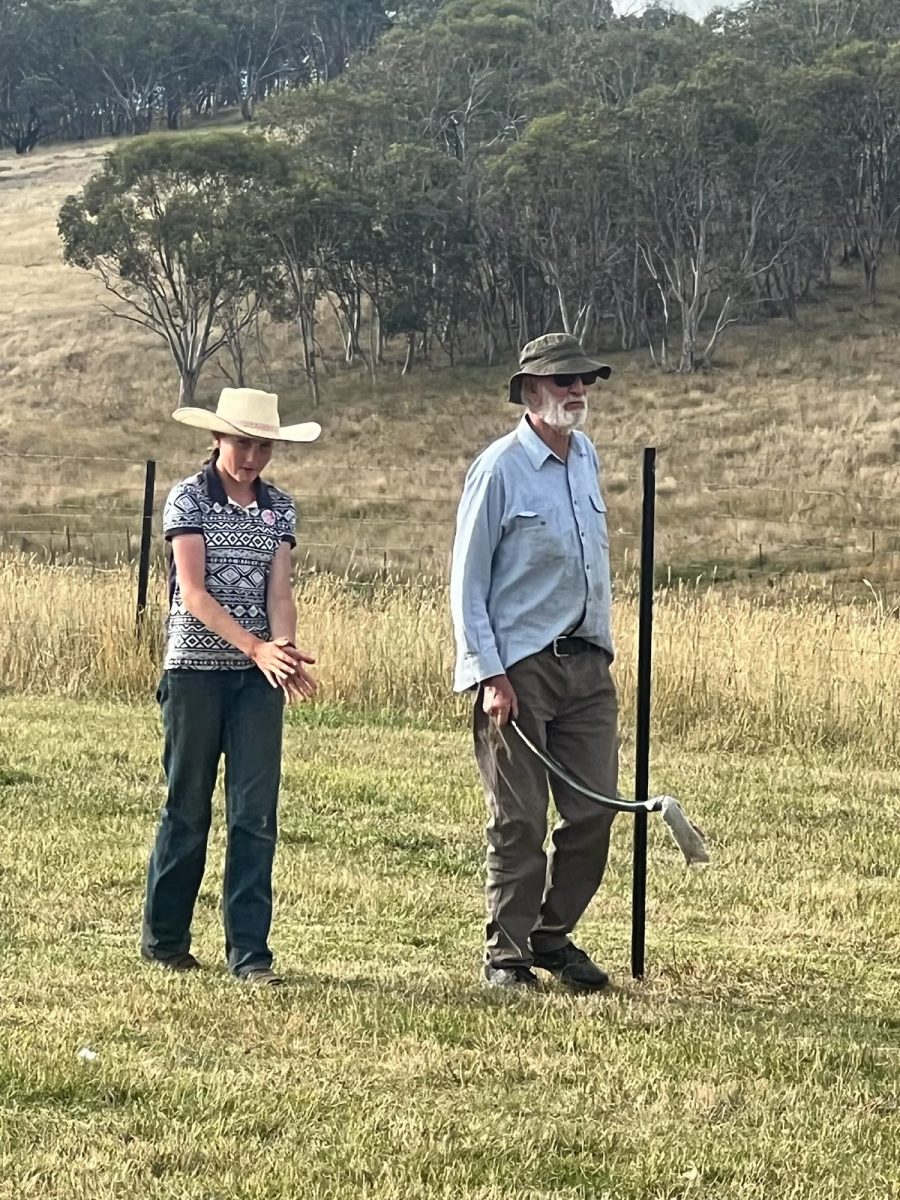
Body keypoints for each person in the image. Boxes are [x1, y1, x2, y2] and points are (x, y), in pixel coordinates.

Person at [450, 333, 618, 993]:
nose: (577, 391)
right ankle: (507, 956)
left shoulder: (587, 459)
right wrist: (489, 673)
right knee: (520, 818)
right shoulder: (497, 468)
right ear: (529, 391)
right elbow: (466, 582)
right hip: (519, 670)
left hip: (587, 668)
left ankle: (551, 938)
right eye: (563, 381)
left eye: (584, 381)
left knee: (595, 811)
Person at [141, 387, 320, 986]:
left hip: (256, 682)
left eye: (263, 445)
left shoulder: (280, 509)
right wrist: (255, 646)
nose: (252, 457)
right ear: (217, 439)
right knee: (186, 808)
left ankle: (250, 954)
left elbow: (280, 592)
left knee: (254, 814)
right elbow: (193, 594)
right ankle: (165, 941)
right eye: (243, 443)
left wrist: (285, 652)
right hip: (194, 674)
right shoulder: (188, 498)